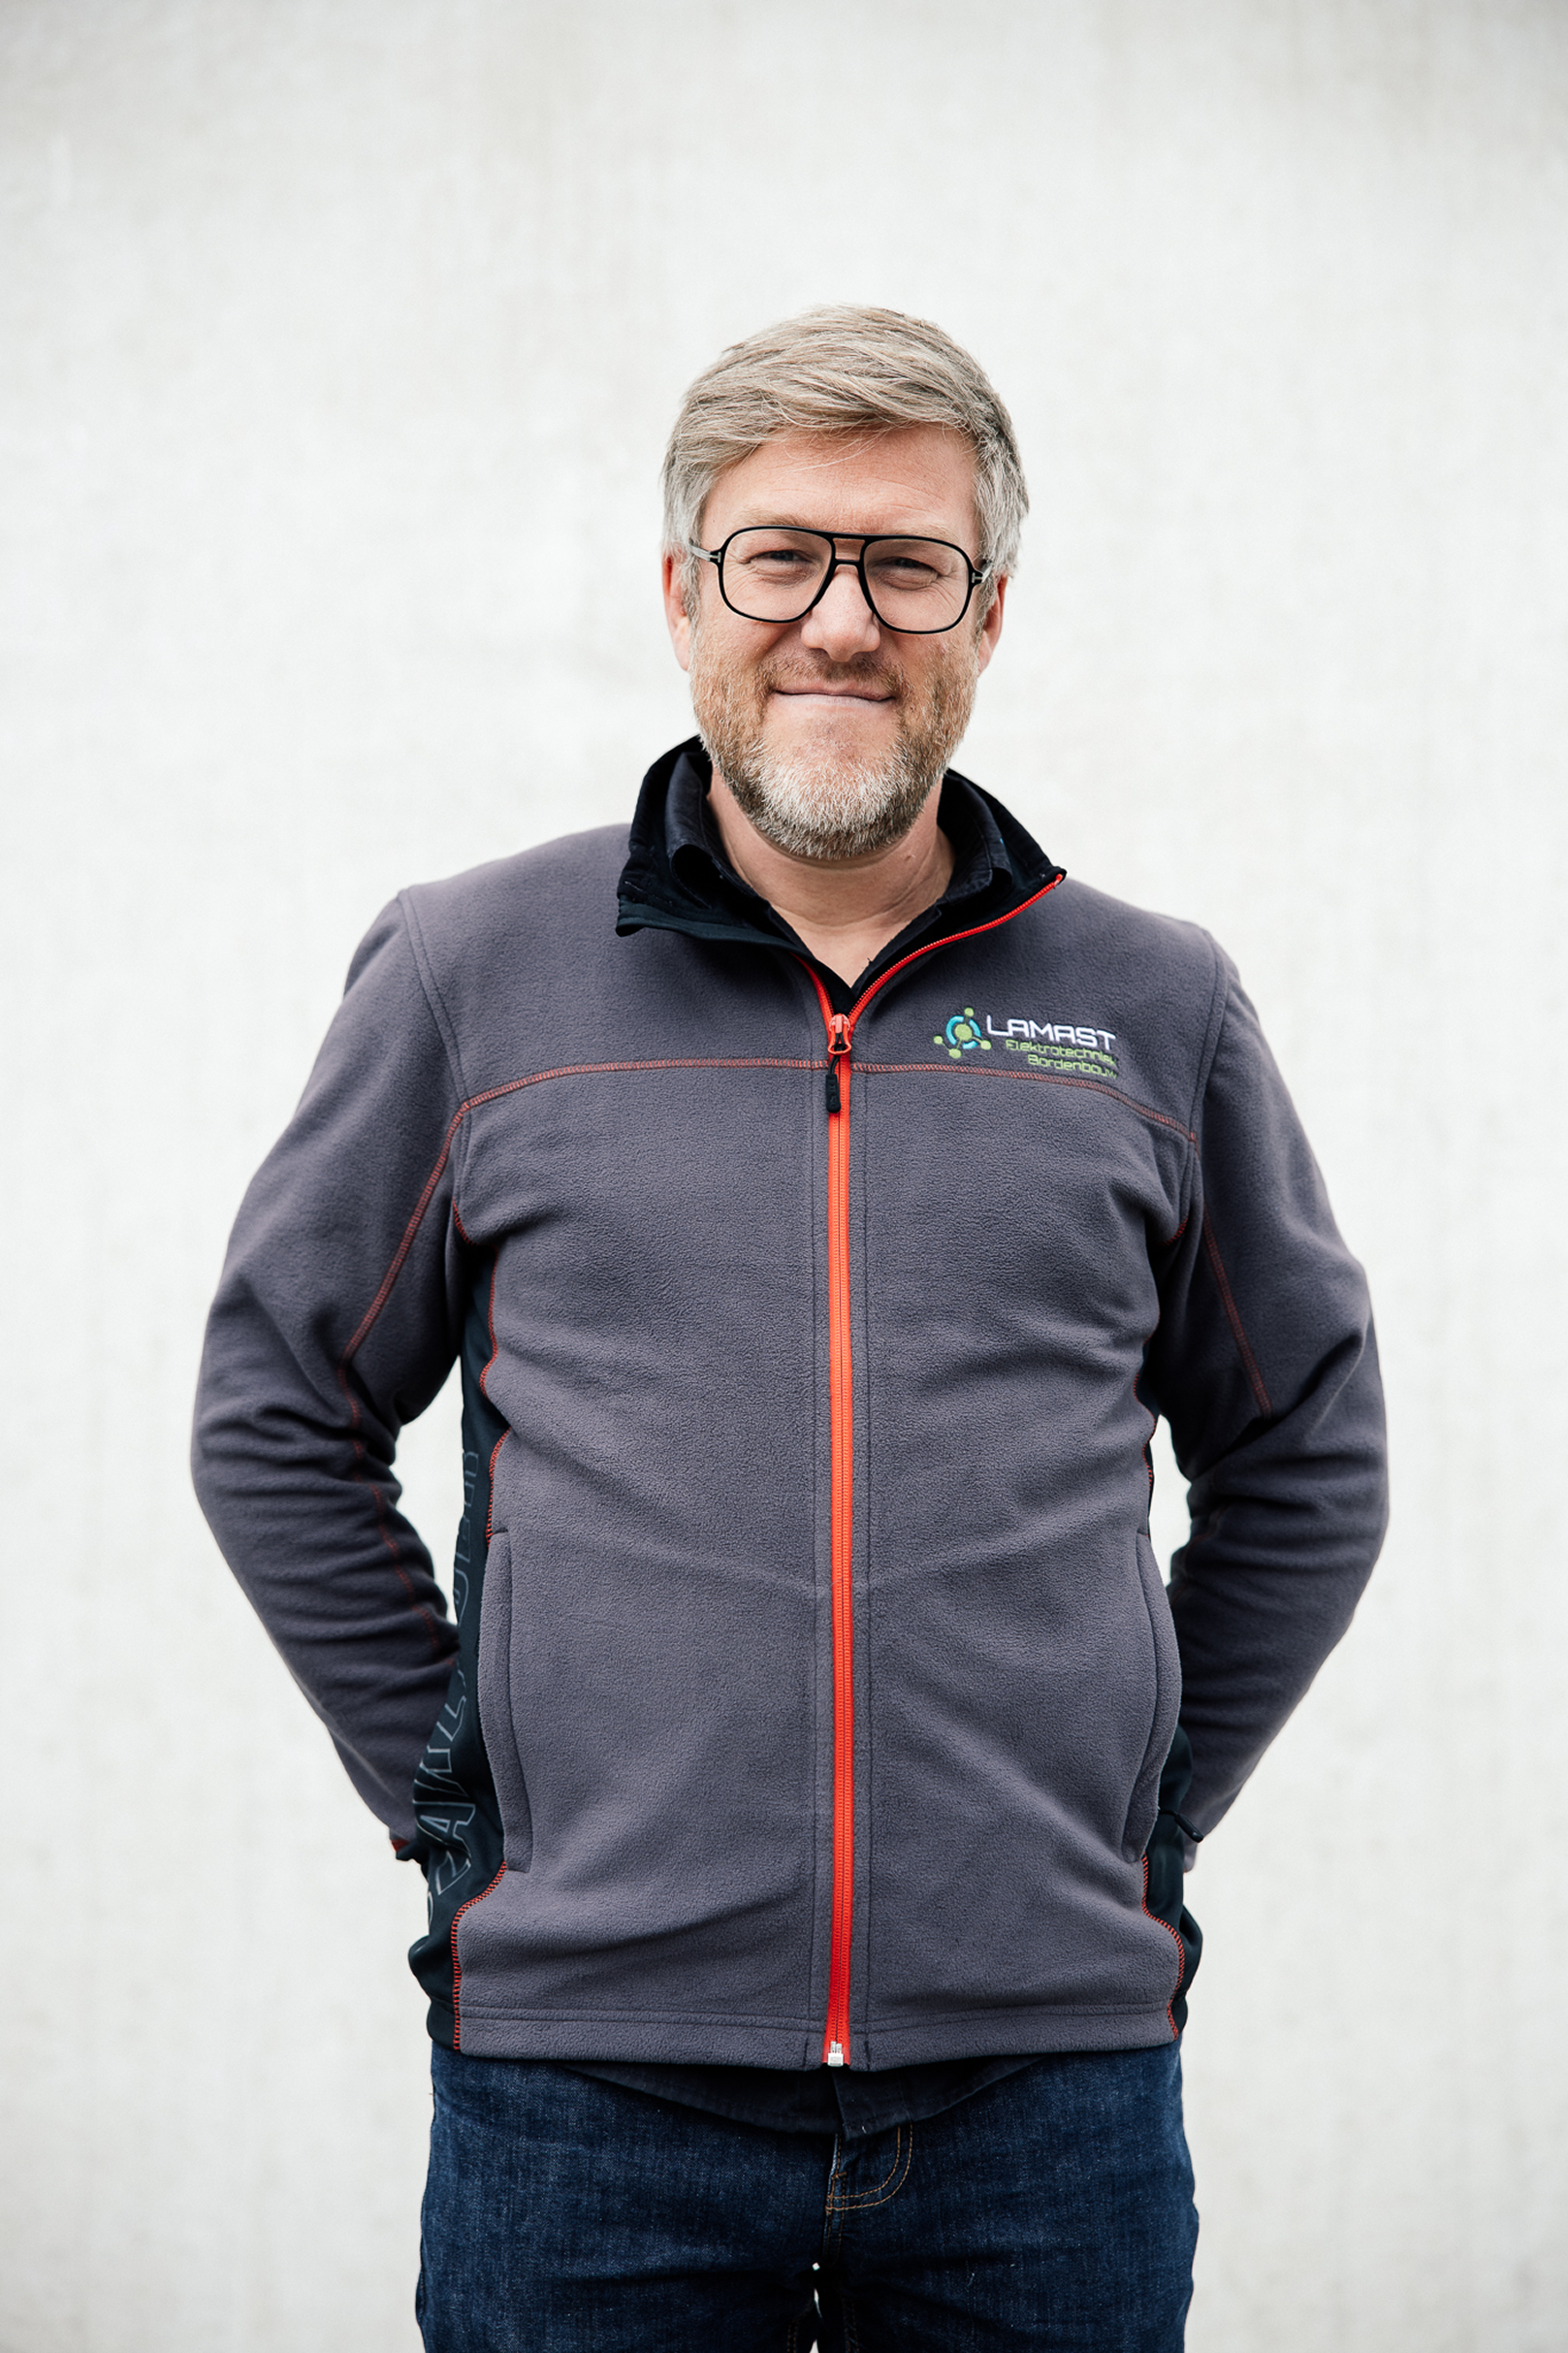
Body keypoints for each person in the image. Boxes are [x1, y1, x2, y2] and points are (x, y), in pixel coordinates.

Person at [192, 306, 1388, 2351]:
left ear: (987, 614)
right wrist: (460, 1792)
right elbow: (275, 1407)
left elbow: (1307, 1448)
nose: (841, 620)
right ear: (683, 594)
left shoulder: (1152, 1005)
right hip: (587, 2097)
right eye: (780, 557)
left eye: (906, 564)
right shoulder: (473, 971)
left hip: (1048, 2099)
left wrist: (1144, 1804)